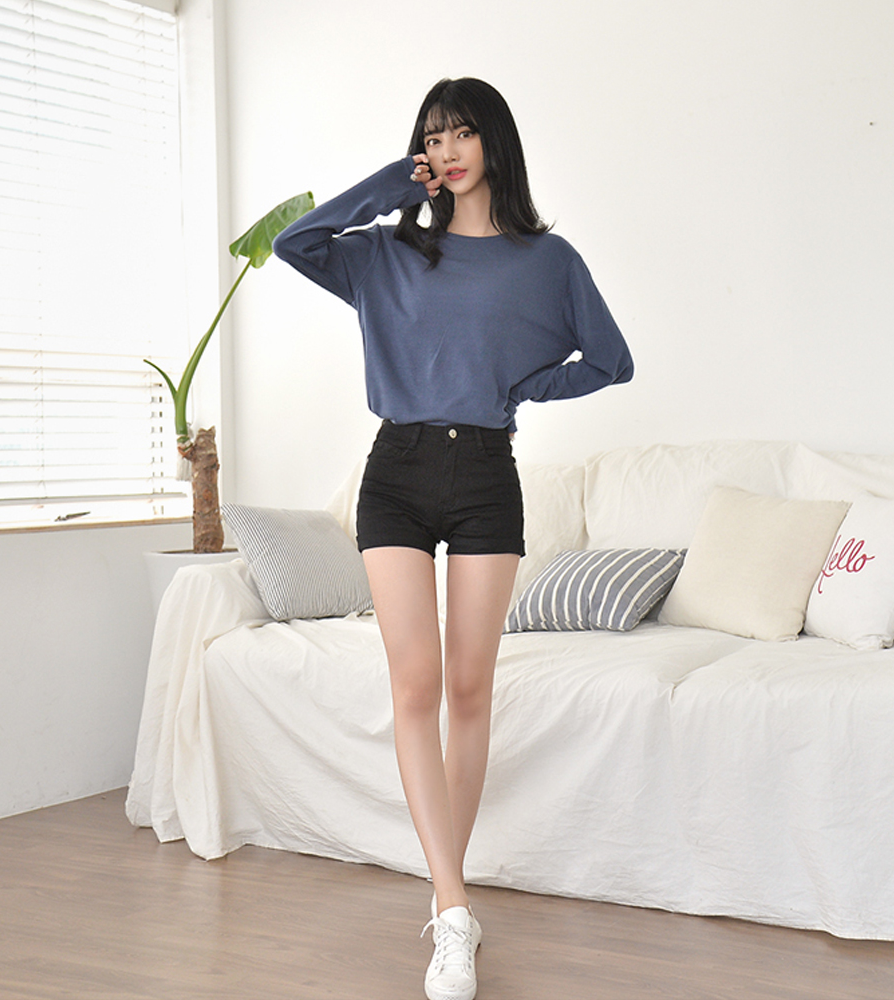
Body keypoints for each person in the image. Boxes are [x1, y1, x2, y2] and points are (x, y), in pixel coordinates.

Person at [272, 77, 633, 1000]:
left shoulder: (546, 261)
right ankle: (455, 907)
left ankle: (447, 904)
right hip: (394, 472)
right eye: (433, 137)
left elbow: (611, 358)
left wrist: (522, 387)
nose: (448, 149)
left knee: (469, 689)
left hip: (484, 476)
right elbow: (292, 242)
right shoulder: (387, 253)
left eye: (463, 132)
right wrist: (390, 187)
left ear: (494, 142)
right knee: (416, 684)